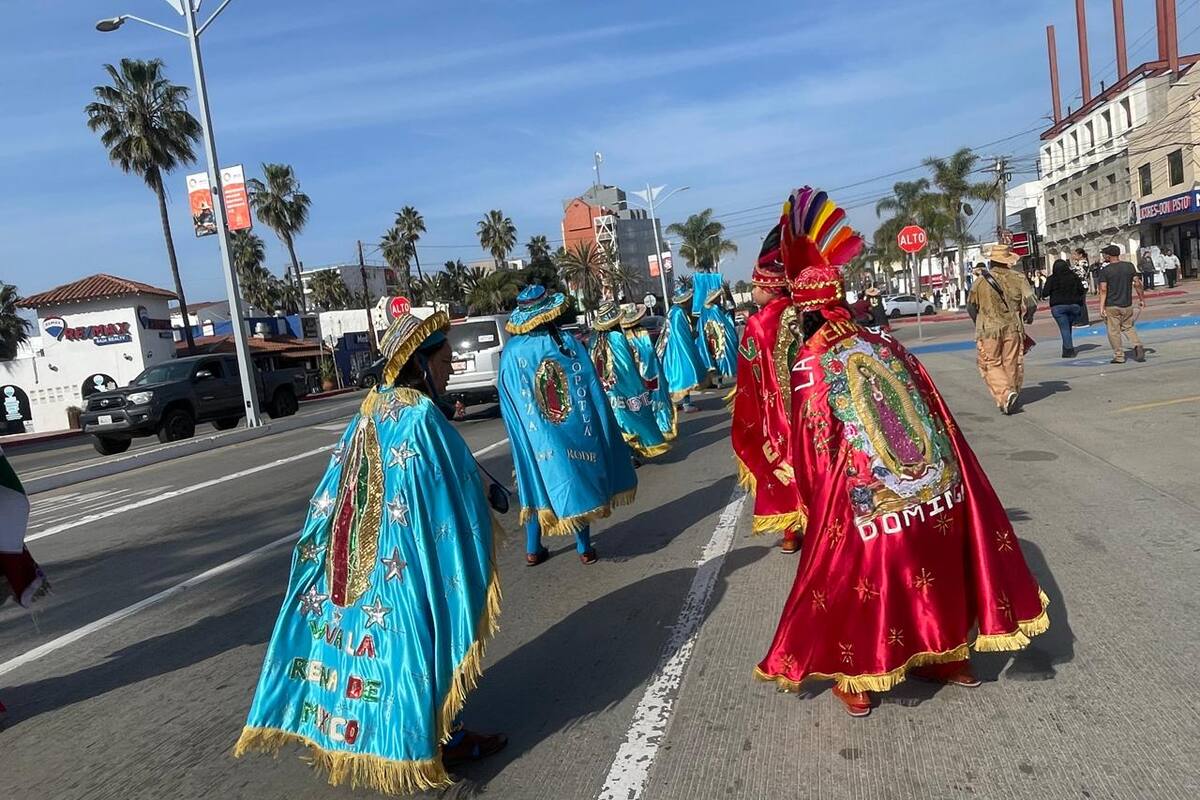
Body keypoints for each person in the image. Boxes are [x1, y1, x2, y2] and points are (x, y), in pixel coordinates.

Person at [755, 186, 1050, 718]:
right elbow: (939, 419)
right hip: (938, 494)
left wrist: (815, 507)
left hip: (876, 504)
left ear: (802, 315)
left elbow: (814, 449)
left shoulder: (810, 366)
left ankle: (856, 673)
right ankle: (946, 654)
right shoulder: (887, 344)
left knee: (841, 565)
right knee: (928, 558)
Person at [235, 311, 506, 794]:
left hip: (368, 558)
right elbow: (451, 483)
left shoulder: (371, 407)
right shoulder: (421, 416)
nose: (452, 366)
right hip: (404, 556)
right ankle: (438, 739)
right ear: (421, 364)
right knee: (425, 638)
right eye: (445, 359)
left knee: (397, 652)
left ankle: (408, 735)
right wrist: (484, 497)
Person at [500, 287, 638, 566]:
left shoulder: (512, 352)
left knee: (537, 482)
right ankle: (584, 548)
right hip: (574, 430)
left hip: (536, 436)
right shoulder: (566, 341)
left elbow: (508, 400)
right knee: (578, 479)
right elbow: (590, 389)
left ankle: (532, 548)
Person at [731, 221, 811, 554]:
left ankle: (792, 532)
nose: (752, 291)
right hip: (811, 402)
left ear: (768, 287)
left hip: (775, 410)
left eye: (755, 285)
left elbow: (748, 377)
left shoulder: (758, 323)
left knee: (783, 465)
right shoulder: (805, 312)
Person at [590, 301, 672, 461]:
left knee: (617, 420)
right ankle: (632, 453)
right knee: (634, 418)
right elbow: (627, 366)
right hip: (623, 387)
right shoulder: (617, 337)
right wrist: (637, 385)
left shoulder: (595, 340)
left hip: (605, 389)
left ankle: (625, 454)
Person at [966, 244, 1037, 415]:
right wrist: (1029, 317)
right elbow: (1031, 302)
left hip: (988, 328)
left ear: (992, 261)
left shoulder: (980, 281)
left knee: (990, 363)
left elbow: (970, 306)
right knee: (1011, 361)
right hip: (1013, 326)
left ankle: (1005, 394)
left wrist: (978, 321)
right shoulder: (1018, 278)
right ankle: (1011, 392)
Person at [622, 305, 677, 443]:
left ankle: (649, 433)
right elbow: (651, 355)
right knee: (657, 401)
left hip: (636, 377)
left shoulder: (623, 338)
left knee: (643, 405)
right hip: (651, 375)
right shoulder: (643, 334)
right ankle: (662, 428)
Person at [656, 284, 708, 413]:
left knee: (676, 375)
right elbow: (681, 335)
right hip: (679, 349)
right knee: (685, 374)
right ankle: (686, 403)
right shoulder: (679, 312)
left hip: (671, 348)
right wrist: (691, 338)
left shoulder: (673, 311)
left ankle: (678, 403)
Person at [1097, 244, 1146, 364]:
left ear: (1108, 256)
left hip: (1112, 304)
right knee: (1128, 327)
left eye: (1105, 254)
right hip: (1127, 303)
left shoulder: (1105, 270)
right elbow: (1137, 283)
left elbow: (1103, 289)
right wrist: (1141, 299)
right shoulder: (1129, 266)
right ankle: (1137, 345)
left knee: (1113, 331)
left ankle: (1119, 356)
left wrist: (1101, 307)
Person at [1042, 258, 1087, 358]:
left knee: (1064, 328)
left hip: (1058, 306)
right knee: (1068, 327)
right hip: (1074, 306)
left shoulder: (1052, 279)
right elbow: (1082, 290)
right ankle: (1066, 347)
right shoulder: (1074, 277)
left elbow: (1044, 293)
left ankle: (1069, 350)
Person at [696, 288, 738, 386]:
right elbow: (723, 322)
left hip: (709, 337)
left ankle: (714, 381)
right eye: (718, 297)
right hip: (716, 336)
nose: (719, 299)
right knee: (719, 356)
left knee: (713, 357)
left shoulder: (704, 309)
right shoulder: (715, 309)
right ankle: (717, 381)